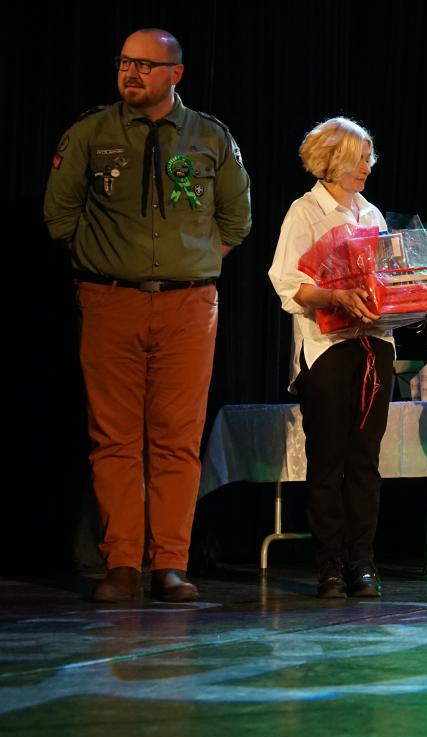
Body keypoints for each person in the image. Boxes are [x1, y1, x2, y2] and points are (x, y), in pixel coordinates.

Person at [44, 29, 251, 602]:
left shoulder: (210, 136)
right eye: (124, 63)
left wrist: (193, 262)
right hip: (110, 299)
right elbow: (60, 215)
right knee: (112, 437)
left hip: (189, 304)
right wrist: (108, 262)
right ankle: (121, 564)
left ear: (175, 74)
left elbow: (236, 221)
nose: (130, 73)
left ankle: (170, 564)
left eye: (144, 64)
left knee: (177, 439)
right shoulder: (92, 132)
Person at [268, 118, 395, 599]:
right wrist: (335, 296)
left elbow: (385, 280)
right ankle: (330, 565)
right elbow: (287, 284)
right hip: (326, 348)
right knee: (328, 460)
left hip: (374, 345)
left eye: (368, 158)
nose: (367, 167)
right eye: (358, 159)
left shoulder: (371, 213)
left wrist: (419, 295)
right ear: (332, 160)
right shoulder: (306, 212)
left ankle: (363, 562)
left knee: (365, 460)